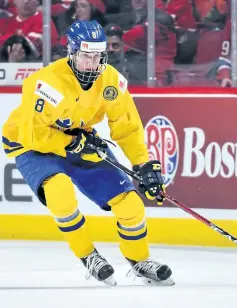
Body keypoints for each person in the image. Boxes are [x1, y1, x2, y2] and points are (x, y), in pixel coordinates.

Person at [1, 19, 173, 286]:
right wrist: (69, 144)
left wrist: (144, 164)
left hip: (78, 138)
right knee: (59, 193)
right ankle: (88, 256)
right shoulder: (45, 83)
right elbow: (33, 133)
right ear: (71, 53)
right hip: (31, 143)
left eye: (97, 57)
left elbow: (127, 127)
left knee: (131, 205)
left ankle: (139, 261)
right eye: (85, 56)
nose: (91, 64)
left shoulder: (111, 82)